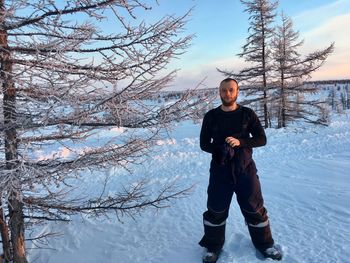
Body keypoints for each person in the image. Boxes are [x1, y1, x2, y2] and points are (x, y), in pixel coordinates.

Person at [199, 78, 282, 263]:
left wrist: (241, 142)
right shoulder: (210, 116)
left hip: (245, 170)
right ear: (219, 92)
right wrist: (220, 148)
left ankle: (265, 244)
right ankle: (212, 247)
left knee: (255, 208)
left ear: (237, 92)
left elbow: (261, 139)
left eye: (231, 90)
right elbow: (204, 144)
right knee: (216, 209)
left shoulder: (247, 114)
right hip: (220, 171)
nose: (227, 93)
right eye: (223, 90)